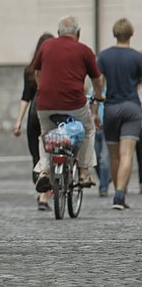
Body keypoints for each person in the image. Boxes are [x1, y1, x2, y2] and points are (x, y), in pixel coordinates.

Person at [32, 15, 104, 194]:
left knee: (45, 135)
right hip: (74, 104)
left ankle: (44, 171)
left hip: (45, 104)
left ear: (58, 33)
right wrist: (98, 95)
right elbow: (97, 79)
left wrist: (42, 89)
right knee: (88, 129)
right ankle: (84, 171)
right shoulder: (84, 50)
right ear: (78, 33)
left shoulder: (46, 46)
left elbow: (37, 72)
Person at [96, 18, 142, 210]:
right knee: (127, 154)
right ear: (131, 34)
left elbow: (98, 82)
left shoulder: (104, 56)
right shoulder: (137, 57)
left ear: (115, 33)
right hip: (132, 107)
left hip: (111, 108)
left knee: (114, 156)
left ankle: (118, 193)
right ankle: (119, 195)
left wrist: (94, 110)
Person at [13, 32, 54, 210]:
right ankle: (44, 196)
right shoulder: (56, 69)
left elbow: (26, 98)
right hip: (49, 113)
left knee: (37, 157)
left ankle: (42, 195)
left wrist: (18, 121)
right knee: (50, 154)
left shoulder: (30, 70)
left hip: (32, 115)